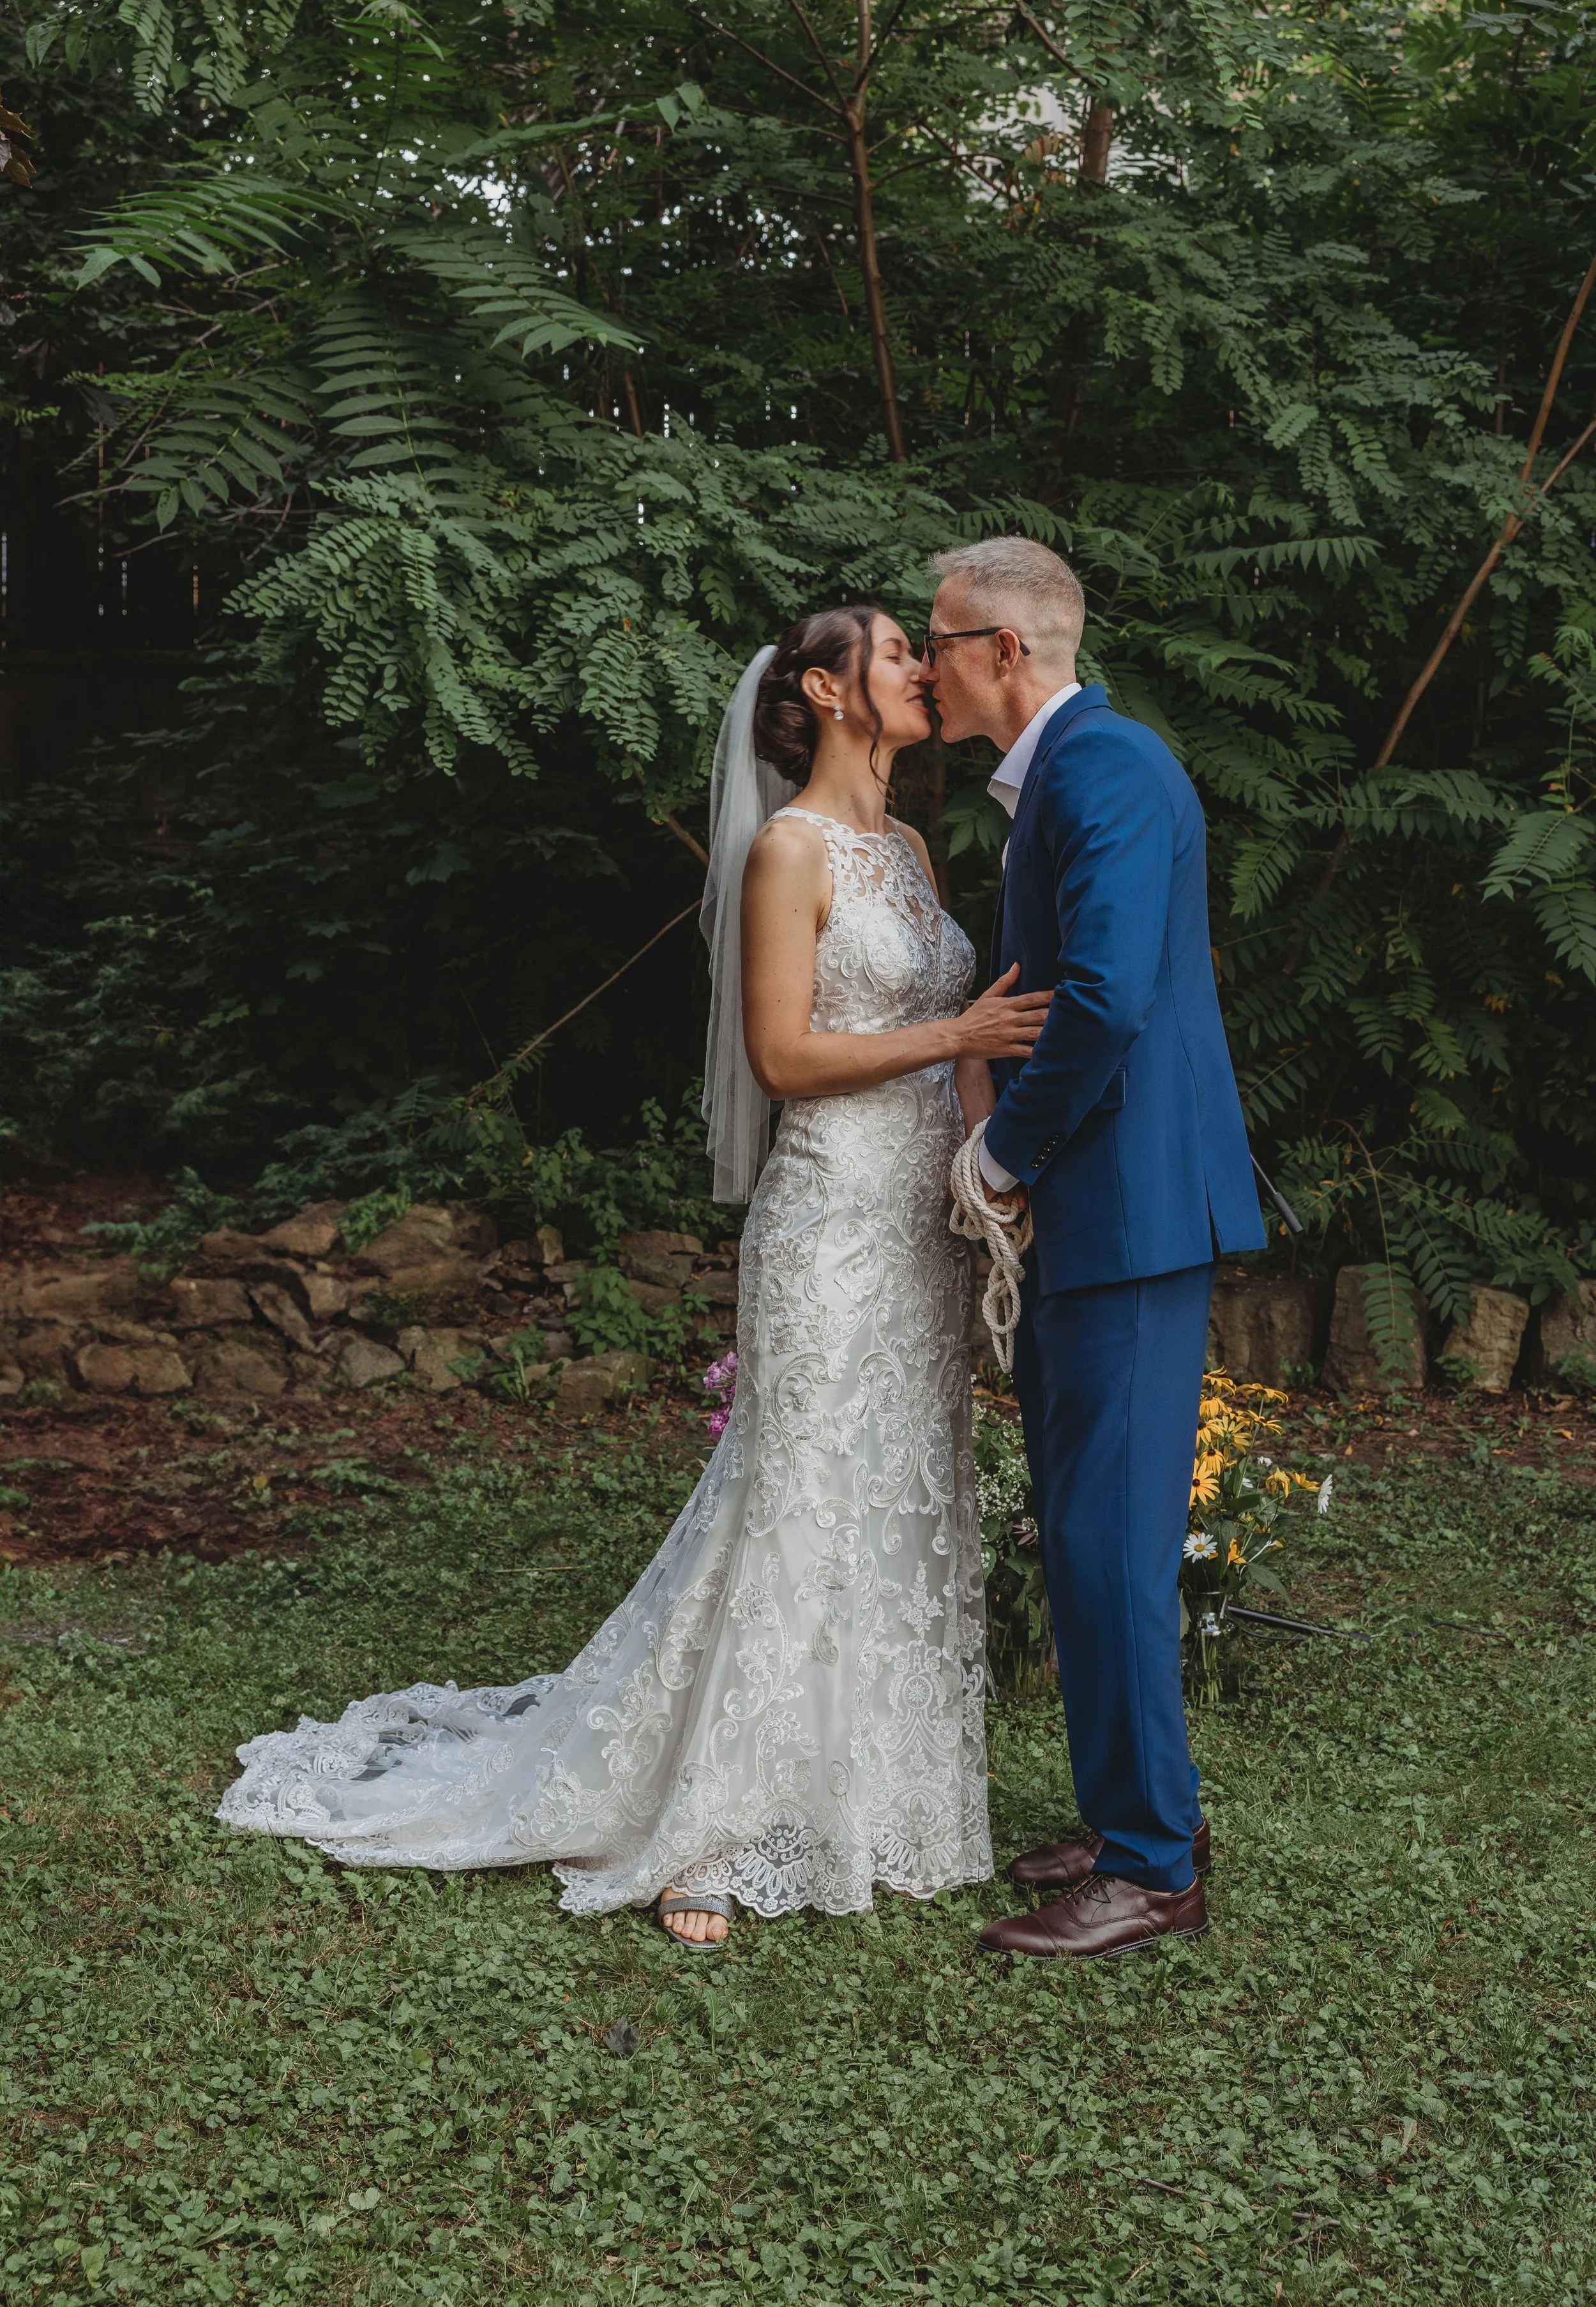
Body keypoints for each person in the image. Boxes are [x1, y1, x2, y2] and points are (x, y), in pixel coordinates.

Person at [217, 606, 1050, 1950]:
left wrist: (981, 1166)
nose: (917, 671)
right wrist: (954, 1028)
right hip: (827, 1223)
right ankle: (707, 1828)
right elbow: (782, 1059)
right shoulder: (787, 852)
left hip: (916, 1233)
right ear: (831, 692)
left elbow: (948, 1049)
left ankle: (877, 1797)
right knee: (793, 1501)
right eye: (895, 652)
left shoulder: (906, 850)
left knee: (901, 1493)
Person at [927, 536, 1265, 1961]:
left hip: (1120, 1207)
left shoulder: (1103, 767)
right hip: (1099, 1211)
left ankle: (1150, 1871)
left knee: (1111, 1545)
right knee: (1079, 1534)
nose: (921, 657)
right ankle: (1141, 1819)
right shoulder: (1059, 779)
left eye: (936, 636)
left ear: (1005, 650)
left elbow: (1109, 997)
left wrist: (1002, 1155)